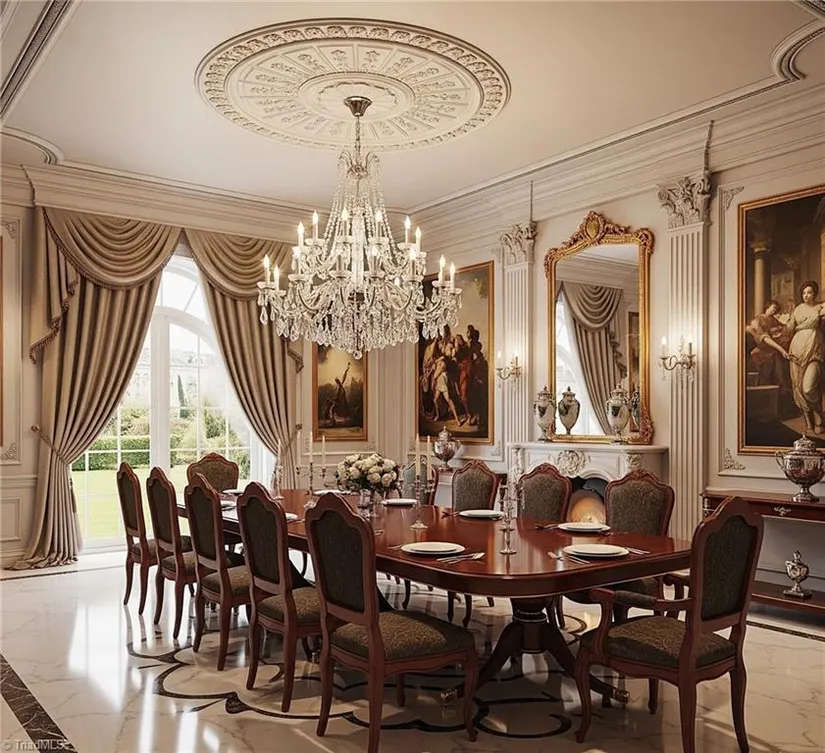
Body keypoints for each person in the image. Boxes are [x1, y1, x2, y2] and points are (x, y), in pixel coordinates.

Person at [786, 281, 825, 433]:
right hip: (796, 351)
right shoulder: (797, 309)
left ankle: (818, 414)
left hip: (814, 350)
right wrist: (789, 320)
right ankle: (808, 418)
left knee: (808, 388)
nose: (806, 295)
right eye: (803, 293)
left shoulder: (820, 307)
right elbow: (789, 330)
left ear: (814, 294)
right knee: (798, 387)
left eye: (809, 292)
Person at [747, 299, 792, 390]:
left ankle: (782, 390)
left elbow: (784, 329)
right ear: (768, 307)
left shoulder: (774, 319)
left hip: (774, 348)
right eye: (773, 308)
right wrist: (781, 349)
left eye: (776, 309)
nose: (774, 310)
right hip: (766, 350)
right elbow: (764, 337)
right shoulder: (761, 318)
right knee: (774, 360)